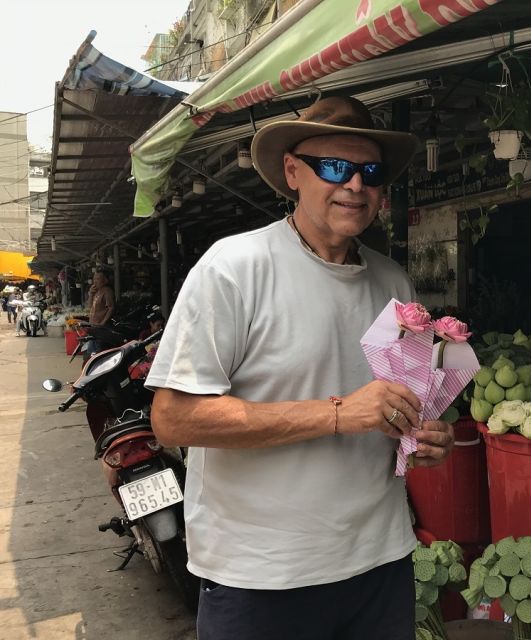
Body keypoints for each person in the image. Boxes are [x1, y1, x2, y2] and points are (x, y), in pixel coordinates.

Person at [145, 96, 454, 640]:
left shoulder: (393, 283)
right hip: (262, 575)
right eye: (334, 167)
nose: (354, 185)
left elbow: (402, 405)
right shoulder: (234, 268)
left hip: (379, 560)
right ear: (292, 171)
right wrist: (338, 413)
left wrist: (423, 436)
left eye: (370, 171)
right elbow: (173, 419)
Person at [84, 270, 115, 357]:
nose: (95, 281)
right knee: (91, 352)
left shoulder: (107, 291)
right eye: (94, 279)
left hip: (100, 327)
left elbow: (111, 307)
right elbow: (89, 306)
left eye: (98, 279)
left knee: (97, 351)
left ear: (104, 280)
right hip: (93, 325)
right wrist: (90, 294)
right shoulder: (96, 291)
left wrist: (103, 322)